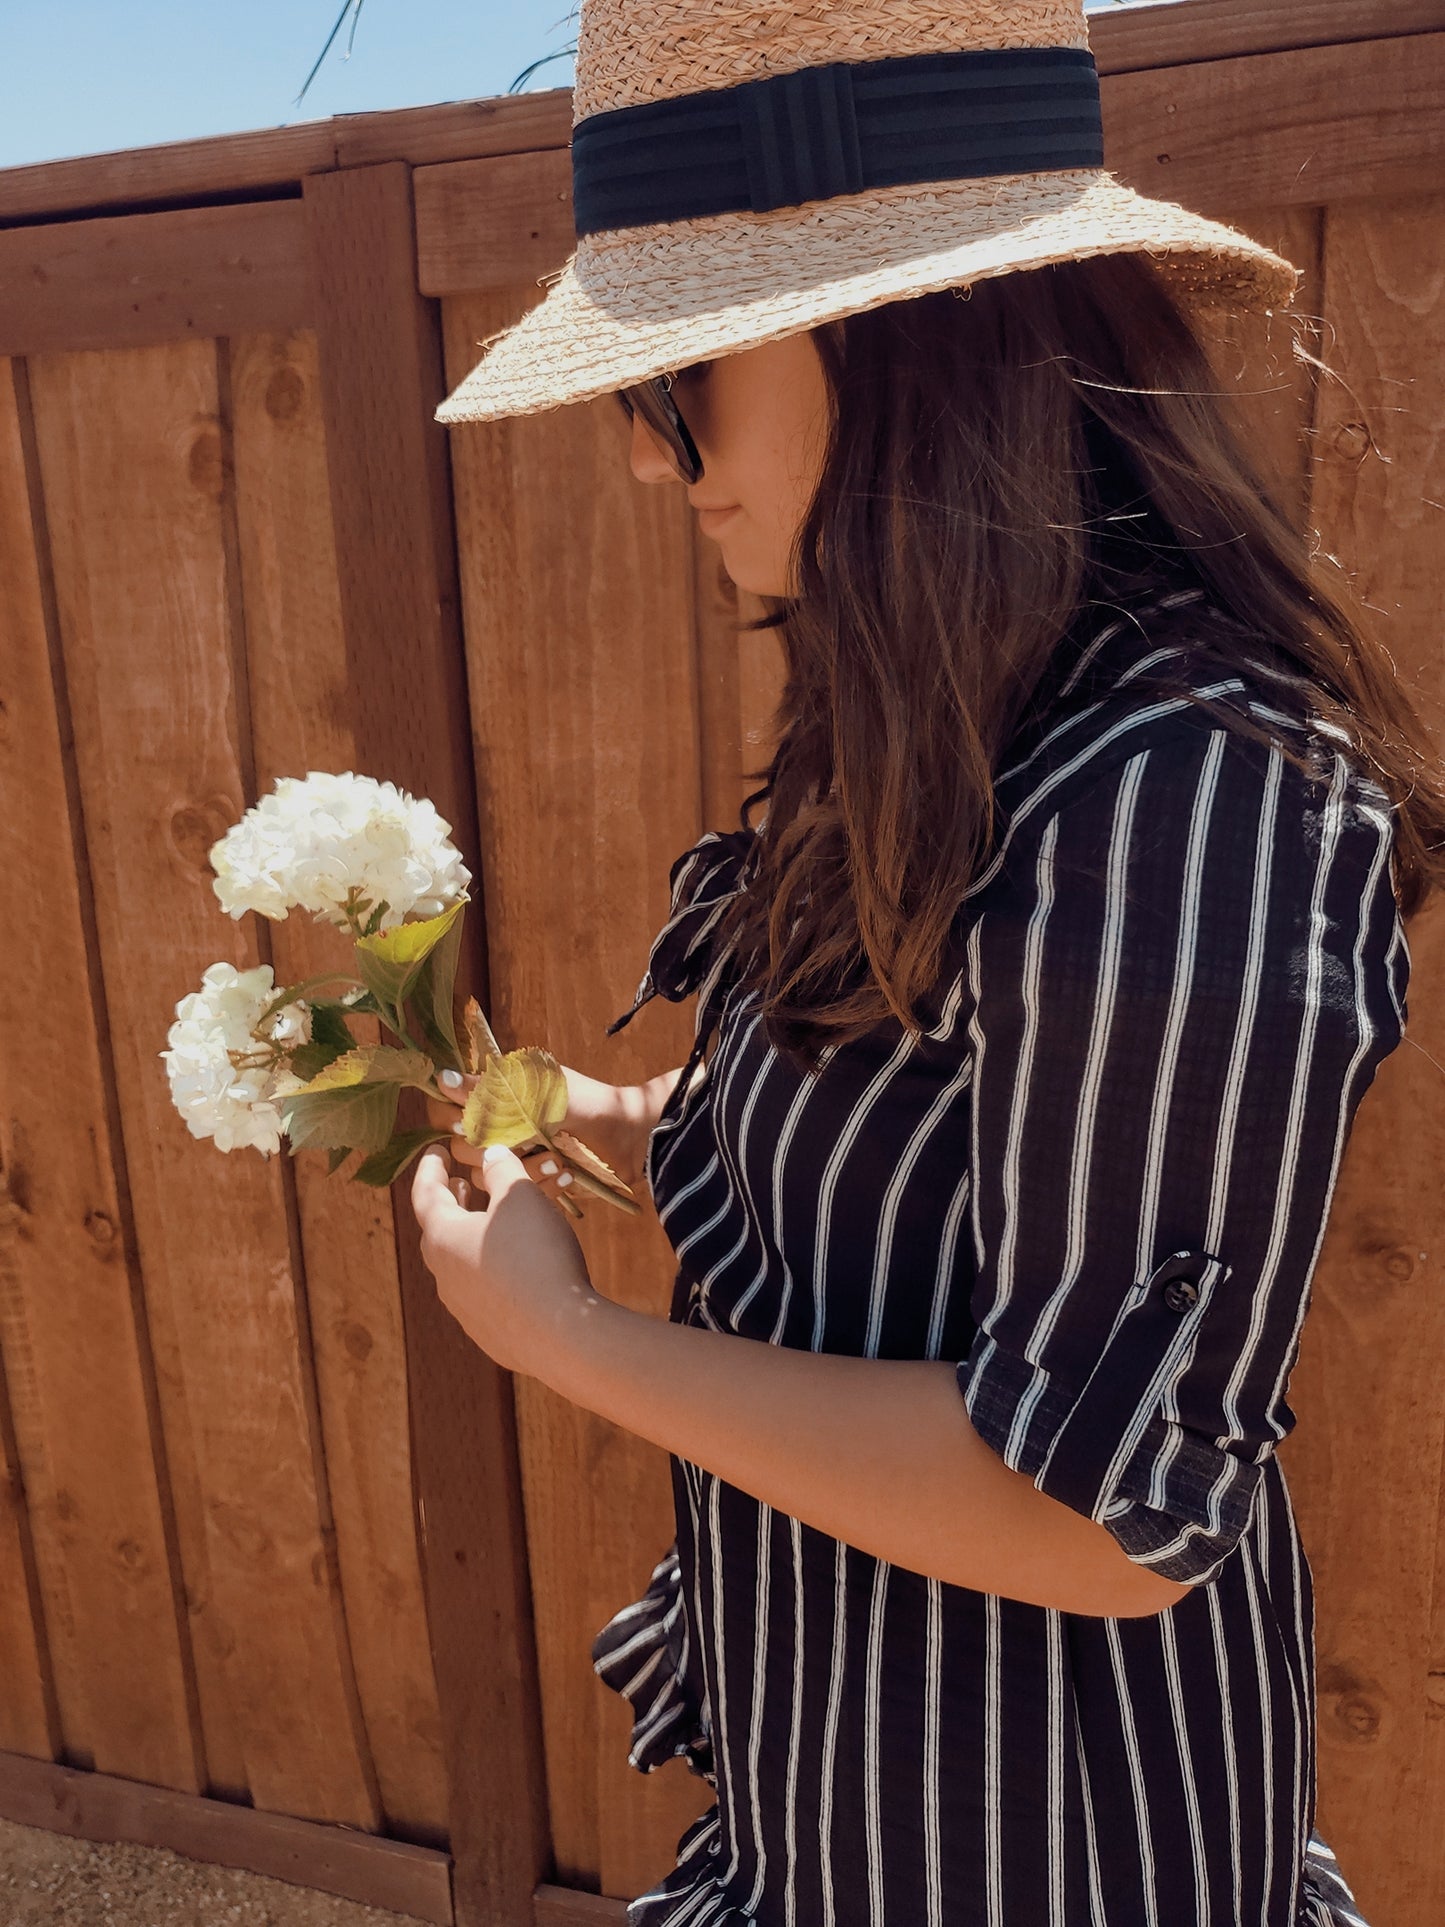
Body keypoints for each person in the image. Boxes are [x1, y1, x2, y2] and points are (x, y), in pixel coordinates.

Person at [412, 1, 1445, 1921]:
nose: (654, 466)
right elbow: (910, 1172)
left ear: (892, 333)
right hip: (835, 1785)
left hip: (1043, 1848)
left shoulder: (1188, 793)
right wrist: (585, 1120)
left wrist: (560, 1339)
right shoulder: (943, 712)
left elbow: (1102, 1504)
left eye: (676, 379)